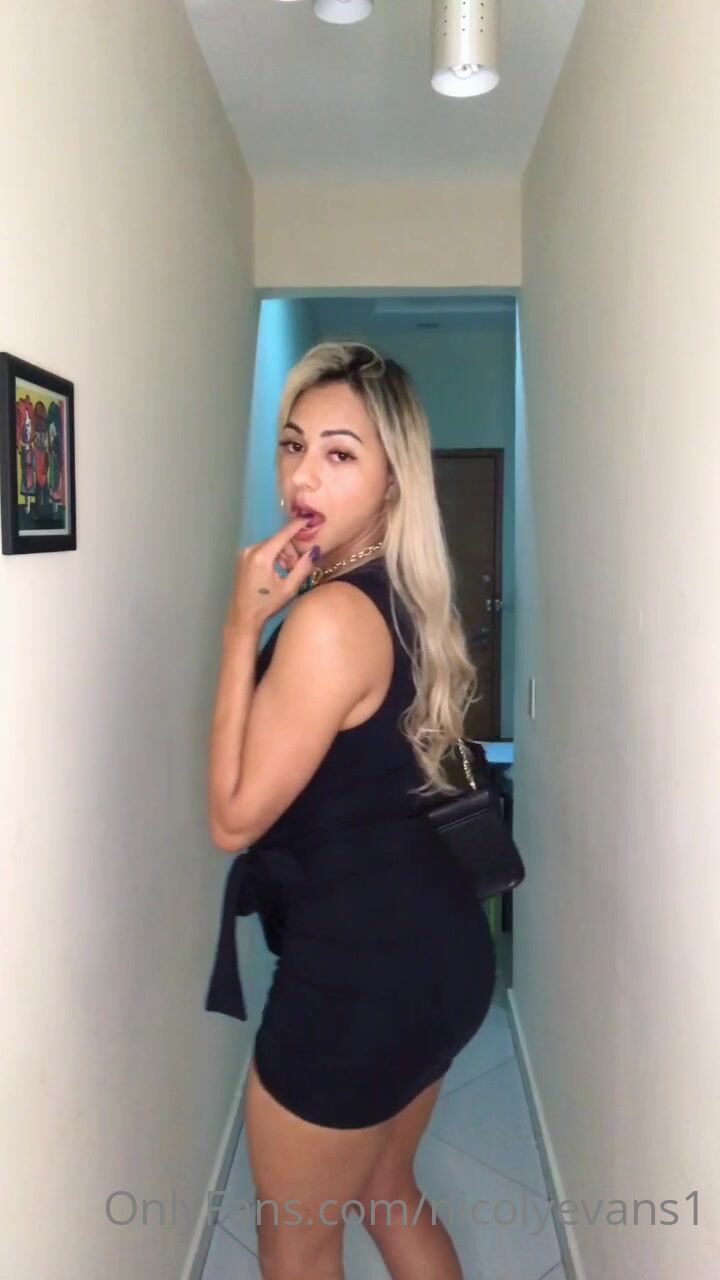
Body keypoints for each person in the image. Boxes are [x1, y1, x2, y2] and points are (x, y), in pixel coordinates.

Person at [205, 342, 497, 1280]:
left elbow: (233, 820)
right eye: (294, 446)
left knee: (297, 1242)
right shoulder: (402, 595)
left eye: (340, 454)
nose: (303, 476)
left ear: (392, 477)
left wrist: (242, 624)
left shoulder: (329, 620)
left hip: (359, 980)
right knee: (386, 1190)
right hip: (443, 953)